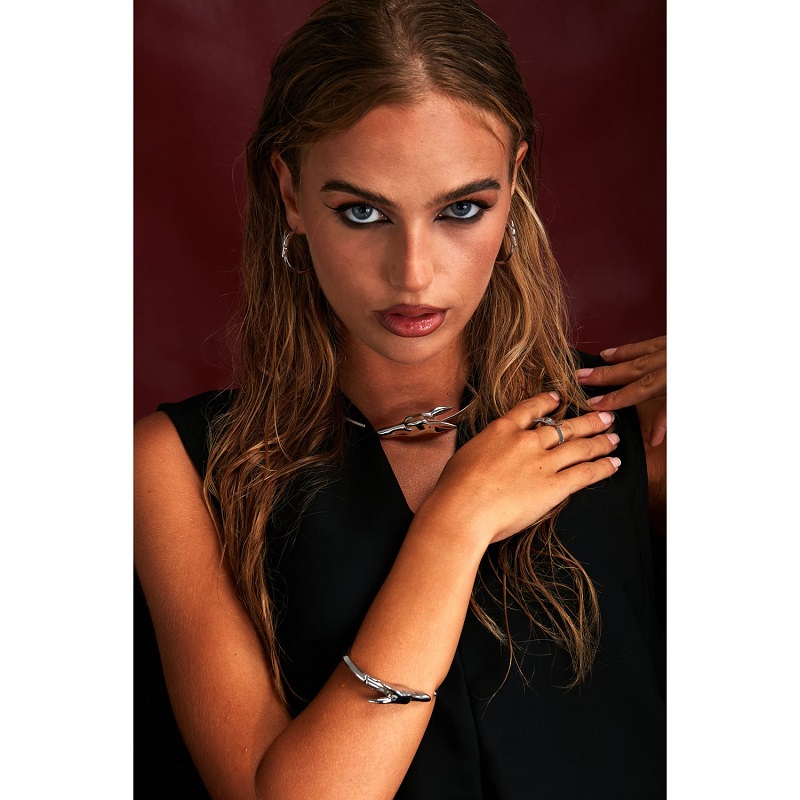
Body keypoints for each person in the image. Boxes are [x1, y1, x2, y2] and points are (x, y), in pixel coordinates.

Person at [134, 0, 666, 797]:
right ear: (289, 192)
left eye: (462, 209)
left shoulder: (633, 425)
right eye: (362, 212)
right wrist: (453, 528)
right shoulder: (179, 468)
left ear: (514, 182)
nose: (413, 273)